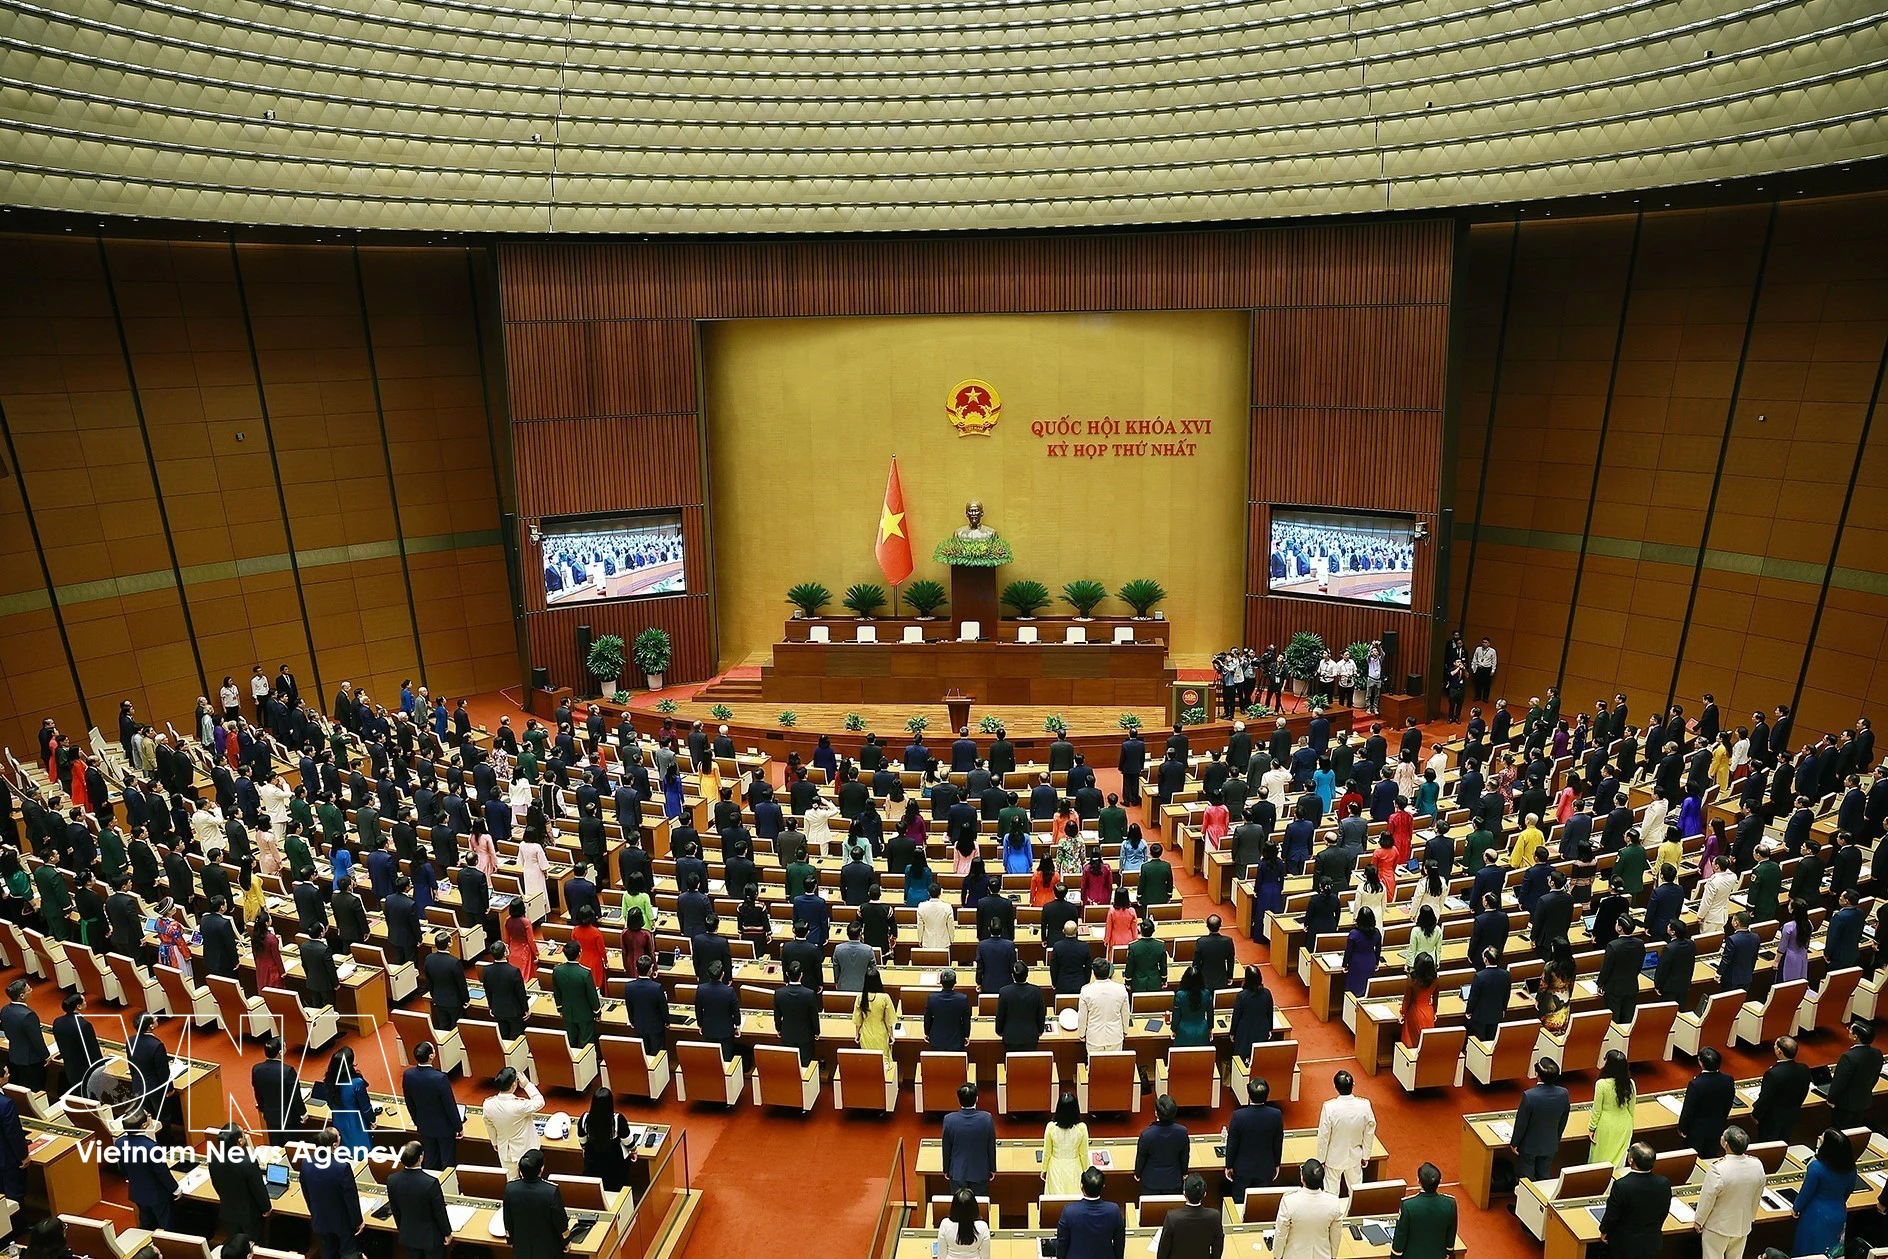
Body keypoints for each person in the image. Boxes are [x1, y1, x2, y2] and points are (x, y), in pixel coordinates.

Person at [1694, 1126, 1764, 1259]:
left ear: (1726, 1144)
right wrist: (1751, 1217)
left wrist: (1699, 1220)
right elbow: (1757, 1195)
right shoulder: (1757, 1165)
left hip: (1718, 1226)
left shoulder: (1718, 1168)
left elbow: (1708, 1198)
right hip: (1743, 1224)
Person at [1598, 1143, 1671, 1256]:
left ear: (1631, 1160)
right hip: (1652, 1242)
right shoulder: (1663, 1183)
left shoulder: (1621, 1186)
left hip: (1625, 1245)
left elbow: (1612, 1215)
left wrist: (1604, 1230)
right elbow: (1664, 1212)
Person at [300, 1129, 362, 1259]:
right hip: (342, 1223)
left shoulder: (306, 1163)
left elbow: (306, 1192)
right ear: (334, 1145)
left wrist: (314, 1212)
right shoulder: (342, 1167)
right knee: (348, 1253)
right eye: (339, 1136)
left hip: (320, 1220)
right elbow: (351, 1198)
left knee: (328, 1253)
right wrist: (358, 1221)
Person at [387, 1141, 452, 1259]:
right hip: (431, 1238)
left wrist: (402, 1229)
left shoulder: (392, 1180)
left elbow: (395, 1210)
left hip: (409, 1236)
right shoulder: (430, 1183)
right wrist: (447, 1233)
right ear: (420, 1158)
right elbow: (439, 1212)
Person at [1314, 1071, 1375, 1195]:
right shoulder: (1365, 1105)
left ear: (1335, 1087)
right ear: (1353, 1084)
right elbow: (1369, 1132)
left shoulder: (1329, 1107)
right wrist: (1366, 1155)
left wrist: (1321, 1159)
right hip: (1355, 1157)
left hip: (1333, 1158)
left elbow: (1324, 1136)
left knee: (1331, 1194)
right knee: (1356, 1192)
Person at [402, 1041, 461, 1170]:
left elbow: (409, 1102)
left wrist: (417, 1121)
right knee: (447, 1161)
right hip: (444, 1128)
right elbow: (449, 1105)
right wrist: (458, 1126)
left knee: (430, 1159)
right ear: (431, 1056)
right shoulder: (440, 1078)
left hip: (424, 1124)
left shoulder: (408, 1075)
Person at [206, 1125, 270, 1243]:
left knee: (236, 1244)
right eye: (243, 1133)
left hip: (228, 1213)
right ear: (240, 1141)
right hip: (250, 1216)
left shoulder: (213, 1159)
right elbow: (258, 1189)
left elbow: (217, 1185)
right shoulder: (248, 1162)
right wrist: (267, 1208)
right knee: (254, 1246)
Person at [502, 1150, 570, 1259]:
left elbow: (508, 1219)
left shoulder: (510, 1188)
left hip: (522, 1249)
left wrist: (509, 1239)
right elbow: (560, 1221)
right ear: (541, 1169)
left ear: (520, 1171)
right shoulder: (551, 1191)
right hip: (548, 1251)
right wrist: (566, 1241)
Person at [1511, 1058, 1570, 1181]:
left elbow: (1522, 1123)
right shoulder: (1564, 1093)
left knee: (1526, 1180)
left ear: (1536, 1074)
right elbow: (1563, 1120)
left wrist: (1514, 1142)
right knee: (1544, 1177)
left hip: (1529, 1146)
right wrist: (1556, 1139)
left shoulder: (1529, 1096)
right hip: (1550, 1144)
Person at [1225, 1078, 1284, 1199]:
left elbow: (1232, 1144)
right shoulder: (1276, 1115)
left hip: (1242, 1170)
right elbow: (1278, 1142)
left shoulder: (1238, 1116)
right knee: (1261, 1202)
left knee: (1239, 1202)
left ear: (1249, 1094)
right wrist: (1277, 1163)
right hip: (1265, 1168)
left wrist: (1228, 1165)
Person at [1274, 1159, 1345, 1259]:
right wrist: (1333, 1256)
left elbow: (1281, 1233)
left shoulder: (1289, 1201)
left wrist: (1277, 1256)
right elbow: (1336, 1235)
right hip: (1323, 1256)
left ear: (1302, 1178)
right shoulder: (1333, 1202)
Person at [483, 1067, 545, 1178]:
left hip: (505, 1150)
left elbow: (489, 1124)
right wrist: (527, 1085)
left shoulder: (488, 1104)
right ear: (513, 1085)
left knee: (511, 1181)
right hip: (526, 1151)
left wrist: (494, 1142)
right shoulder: (519, 1105)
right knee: (530, 1181)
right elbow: (540, 1102)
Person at [1390, 1161, 1457, 1259]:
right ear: (1440, 1181)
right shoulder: (1450, 1203)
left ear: (1418, 1181)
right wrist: (1449, 1252)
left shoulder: (1408, 1205)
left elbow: (1400, 1237)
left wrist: (1395, 1256)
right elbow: (1451, 1236)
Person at [1751, 1035, 1811, 1143]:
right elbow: (1803, 1092)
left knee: (1768, 1146)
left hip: (1771, 1120)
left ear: (1779, 1051)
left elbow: (1765, 1099)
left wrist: (1755, 1114)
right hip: (1792, 1115)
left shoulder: (1773, 1074)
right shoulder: (1804, 1068)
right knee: (1784, 1142)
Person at [1057, 1166, 1125, 1259]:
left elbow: (1062, 1243)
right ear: (1103, 1186)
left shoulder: (1069, 1211)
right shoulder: (1114, 1210)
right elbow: (1119, 1243)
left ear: (1081, 1186)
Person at [1678, 1047, 1736, 1156]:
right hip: (1717, 1128)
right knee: (1711, 1156)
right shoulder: (1728, 1080)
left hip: (1696, 1132)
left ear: (1700, 1062)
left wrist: (1682, 1129)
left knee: (1694, 1158)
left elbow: (1688, 1110)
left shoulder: (1696, 1084)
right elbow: (1728, 1105)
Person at [252, 1035, 308, 1145]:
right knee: (291, 1146)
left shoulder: (257, 1069)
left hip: (270, 1116)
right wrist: (303, 1113)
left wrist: (263, 1108)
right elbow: (295, 1096)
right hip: (288, 1118)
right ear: (281, 1052)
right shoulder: (288, 1071)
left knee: (276, 1145)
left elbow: (257, 1091)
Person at [322, 1046, 376, 1159]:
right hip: (357, 1124)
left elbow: (330, 1104)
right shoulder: (356, 1083)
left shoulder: (329, 1081)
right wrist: (372, 1119)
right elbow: (365, 1107)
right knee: (362, 1156)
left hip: (339, 1121)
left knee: (343, 1154)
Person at [1829, 1017, 1884, 1128]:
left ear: (1855, 1037)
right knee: (1856, 1129)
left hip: (1845, 1104)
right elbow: (1875, 1077)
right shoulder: (1877, 1053)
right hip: (1864, 1100)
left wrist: (1831, 1099)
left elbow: (1840, 1082)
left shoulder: (1849, 1057)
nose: (1848, 1030)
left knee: (1842, 1131)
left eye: (1850, 1029)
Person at [942, 1083, 996, 1195]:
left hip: (957, 1172)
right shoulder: (987, 1118)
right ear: (977, 1099)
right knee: (979, 1203)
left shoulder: (949, 1120)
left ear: (959, 1099)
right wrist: (992, 1168)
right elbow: (991, 1147)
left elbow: (946, 1148)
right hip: (980, 1171)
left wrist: (946, 1169)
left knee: (959, 1203)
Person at [1157, 1173, 1223, 1259]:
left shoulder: (1172, 1217)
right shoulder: (1215, 1216)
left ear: (1184, 1194)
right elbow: (1218, 1249)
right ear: (1204, 1194)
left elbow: (1163, 1252)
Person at [578, 1087, 632, 1192]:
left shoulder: (585, 1119)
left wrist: (584, 1148)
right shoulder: (617, 1119)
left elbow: (582, 1139)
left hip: (593, 1162)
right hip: (615, 1164)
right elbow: (627, 1140)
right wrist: (633, 1150)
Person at [1135, 1093, 1190, 1194]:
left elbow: (1141, 1157)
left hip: (1151, 1182)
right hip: (1173, 1181)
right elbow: (1184, 1155)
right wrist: (1184, 1172)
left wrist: (1137, 1174)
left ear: (1156, 1113)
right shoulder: (1182, 1132)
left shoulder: (1147, 1135)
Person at [1588, 1049, 1635, 1168]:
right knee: (1619, 1160)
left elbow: (1597, 1109)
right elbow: (1631, 1108)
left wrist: (1592, 1128)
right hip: (1625, 1124)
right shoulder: (1630, 1083)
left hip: (1606, 1125)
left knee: (1600, 1158)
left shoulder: (1601, 1084)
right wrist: (1630, 1124)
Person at [550, 940, 601, 1048]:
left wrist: (560, 1008)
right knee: (587, 1044)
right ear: (579, 953)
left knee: (571, 1042)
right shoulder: (585, 973)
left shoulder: (557, 970)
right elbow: (592, 996)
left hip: (567, 1012)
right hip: (585, 1014)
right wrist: (597, 1012)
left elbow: (557, 992)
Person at [1042, 1091, 1091, 1197]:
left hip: (1055, 1167)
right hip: (1074, 1167)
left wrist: (1044, 1170)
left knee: (1055, 1200)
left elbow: (1047, 1153)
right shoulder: (1082, 1128)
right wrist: (1087, 1173)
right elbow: (1084, 1154)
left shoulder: (1050, 1127)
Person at [1077, 959, 1130, 1054]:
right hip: (1115, 1036)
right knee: (1114, 1063)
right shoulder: (1121, 989)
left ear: (1093, 973)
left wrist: (1082, 1033)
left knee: (1095, 1063)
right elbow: (1125, 1013)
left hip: (1094, 1037)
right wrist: (1125, 1030)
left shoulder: (1086, 991)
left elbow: (1082, 1016)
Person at [925, 970, 972, 1053]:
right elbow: (966, 1020)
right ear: (955, 983)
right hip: (956, 1040)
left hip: (937, 1040)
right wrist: (966, 1036)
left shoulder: (932, 998)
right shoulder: (963, 999)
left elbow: (927, 1019)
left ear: (940, 982)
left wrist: (927, 1033)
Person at [936, 1187, 991, 1259]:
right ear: (974, 1207)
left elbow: (941, 1255)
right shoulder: (982, 1226)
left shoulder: (945, 1224)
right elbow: (985, 1256)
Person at [1170, 965, 1212, 1047]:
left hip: (1183, 1031)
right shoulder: (1206, 994)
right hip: (1202, 1030)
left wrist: (1173, 1029)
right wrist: (1210, 1028)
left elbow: (1176, 1016)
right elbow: (1210, 1013)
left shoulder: (1179, 995)